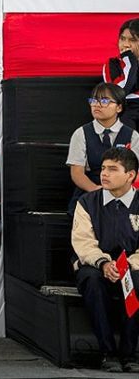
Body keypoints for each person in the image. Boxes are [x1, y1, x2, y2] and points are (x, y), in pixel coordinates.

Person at [71, 146, 139, 373]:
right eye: (103, 169)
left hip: (132, 264)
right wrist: (104, 263)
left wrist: (127, 265)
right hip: (96, 264)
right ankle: (107, 352)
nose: (104, 174)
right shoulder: (87, 202)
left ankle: (130, 353)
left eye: (112, 169)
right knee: (91, 280)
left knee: (137, 280)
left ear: (130, 175)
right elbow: (83, 242)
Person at [66, 83, 139, 214]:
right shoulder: (81, 133)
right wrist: (96, 190)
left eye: (104, 101)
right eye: (93, 100)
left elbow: (135, 173)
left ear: (119, 107)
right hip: (90, 192)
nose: (97, 105)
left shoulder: (133, 136)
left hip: (123, 193)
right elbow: (77, 173)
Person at [104, 18, 139, 131]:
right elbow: (121, 92)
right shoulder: (112, 65)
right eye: (122, 39)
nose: (126, 45)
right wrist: (130, 62)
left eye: (132, 40)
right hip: (126, 108)